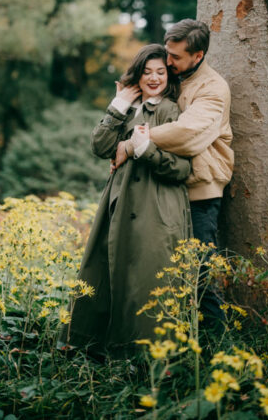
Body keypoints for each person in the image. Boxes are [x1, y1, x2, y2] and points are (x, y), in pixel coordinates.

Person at [68, 44, 192, 356]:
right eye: (147, 71)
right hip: (119, 203)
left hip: (156, 205)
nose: (154, 78)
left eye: (160, 72)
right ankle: (95, 347)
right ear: (137, 74)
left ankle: (148, 357)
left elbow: (182, 168)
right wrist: (119, 104)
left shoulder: (170, 110)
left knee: (148, 278)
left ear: (168, 75)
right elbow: (100, 146)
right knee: (106, 271)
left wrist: (143, 149)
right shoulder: (129, 105)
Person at [115, 19, 234, 325]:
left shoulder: (213, 89)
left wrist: (131, 145)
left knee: (199, 272)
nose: (168, 62)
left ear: (199, 55)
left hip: (199, 195)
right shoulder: (173, 77)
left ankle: (215, 347)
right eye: (167, 53)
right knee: (163, 274)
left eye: (176, 57)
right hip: (161, 190)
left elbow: (187, 134)